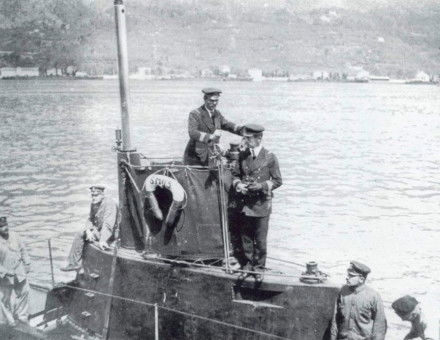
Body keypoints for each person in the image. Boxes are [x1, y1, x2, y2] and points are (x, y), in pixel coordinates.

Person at [230, 124, 282, 282]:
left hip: (261, 204)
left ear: (259, 138)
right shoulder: (243, 155)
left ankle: (258, 268)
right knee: (245, 237)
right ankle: (247, 265)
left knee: (260, 239)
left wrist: (262, 185)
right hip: (245, 204)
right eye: (245, 138)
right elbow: (235, 175)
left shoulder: (270, 157)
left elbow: (278, 181)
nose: (246, 141)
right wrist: (238, 185)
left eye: (249, 138)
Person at [61, 185, 118, 271]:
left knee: (81, 235)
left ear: (102, 195)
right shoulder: (94, 203)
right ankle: (74, 263)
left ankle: (75, 264)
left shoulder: (109, 203)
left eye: (96, 195)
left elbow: (108, 224)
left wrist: (103, 240)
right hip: (99, 230)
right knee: (81, 233)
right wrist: (88, 230)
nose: (93, 198)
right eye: (92, 195)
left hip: (110, 234)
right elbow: (90, 219)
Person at [183, 87, 242, 166]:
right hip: (196, 157)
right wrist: (211, 137)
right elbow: (192, 133)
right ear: (205, 99)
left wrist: (243, 130)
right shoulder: (195, 114)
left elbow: (227, 124)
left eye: (216, 100)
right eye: (211, 100)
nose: (214, 103)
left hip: (212, 155)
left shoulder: (217, 114)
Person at [330, 261, 387, 340]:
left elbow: (379, 327)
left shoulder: (373, 296)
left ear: (361, 279)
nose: (347, 277)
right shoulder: (343, 292)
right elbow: (335, 320)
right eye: (348, 274)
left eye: (351, 276)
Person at [0, 216, 31, 327]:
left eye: (6, 225)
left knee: (24, 292)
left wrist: (27, 263)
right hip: (5, 277)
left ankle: (22, 317)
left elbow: (23, 250)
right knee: (5, 299)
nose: (5, 228)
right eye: (2, 226)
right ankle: (9, 321)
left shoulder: (15, 235)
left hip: (19, 272)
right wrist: (5, 271)